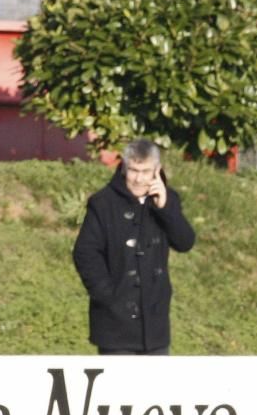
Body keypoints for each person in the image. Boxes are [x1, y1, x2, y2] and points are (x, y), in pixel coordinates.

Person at [73, 139, 196, 355]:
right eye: (133, 170)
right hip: (115, 326)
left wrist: (165, 208)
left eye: (146, 171)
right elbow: (85, 253)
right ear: (123, 168)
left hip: (156, 326)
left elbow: (185, 242)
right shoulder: (103, 203)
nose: (139, 179)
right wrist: (108, 295)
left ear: (157, 171)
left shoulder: (168, 200)